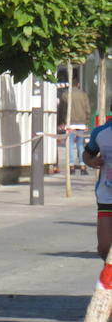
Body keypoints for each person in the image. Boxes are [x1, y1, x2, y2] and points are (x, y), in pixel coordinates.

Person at [83, 113, 112, 260]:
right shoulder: (101, 133)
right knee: (105, 247)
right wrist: (92, 162)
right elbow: (87, 155)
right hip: (107, 195)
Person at [58, 72, 91, 175]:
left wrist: (61, 122)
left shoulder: (65, 95)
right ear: (78, 84)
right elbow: (88, 110)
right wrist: (87, 121)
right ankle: (82, 165)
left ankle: (71, 165)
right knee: (81, 144)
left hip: (70, 123)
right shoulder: (83, 95)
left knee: (70, 144)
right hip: (81, 123)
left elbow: (62, 109)